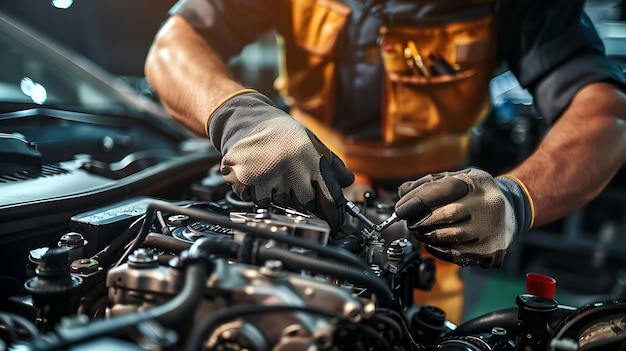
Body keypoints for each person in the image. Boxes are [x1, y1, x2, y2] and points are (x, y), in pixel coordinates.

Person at [144, 0, 626, 324]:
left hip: (441, 218)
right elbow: (174, 43)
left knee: (417, 325)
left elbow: (606, 113)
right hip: (294, 174)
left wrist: (515, 197)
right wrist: (239, 117)